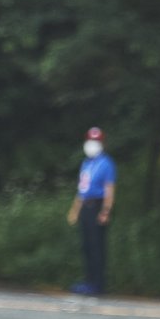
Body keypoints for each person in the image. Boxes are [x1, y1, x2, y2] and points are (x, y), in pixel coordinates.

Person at [66, 127, 116, 296]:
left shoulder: (107, 163)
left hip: (97, 205)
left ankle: (98, 284)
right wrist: (75, 210)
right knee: (86, 246)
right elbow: (82, 190)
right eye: (90, 141)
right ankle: (88, 281)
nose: (92, 145)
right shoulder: (86, 164)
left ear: (102, 144)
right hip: (85, 206)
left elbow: (109, 189)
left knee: (97, 247)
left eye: (96, 141)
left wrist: (106, 211)